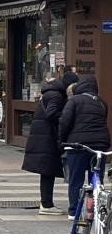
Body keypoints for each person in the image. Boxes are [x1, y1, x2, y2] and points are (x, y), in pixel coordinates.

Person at [21, 72, 78, 215]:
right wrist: (66, 118)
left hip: (44, 136)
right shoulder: (56, 95)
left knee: (48, 171)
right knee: (47, 170)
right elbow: (52, 113)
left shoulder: (52, 93)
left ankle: (46, 203)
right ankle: (46, 204)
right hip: (46, 137)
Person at [58, 75, 111, 218]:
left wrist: (62, 141)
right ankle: (97, 209)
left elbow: (65, 122)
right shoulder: (102, 102)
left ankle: (74, 211)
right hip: (100, 145)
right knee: (97, 178)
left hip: (78, 146)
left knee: (76, 179)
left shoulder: (74, 100)